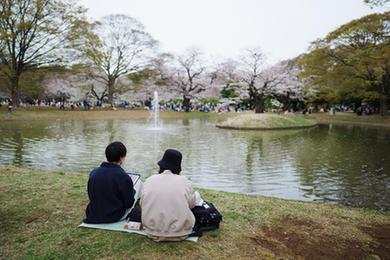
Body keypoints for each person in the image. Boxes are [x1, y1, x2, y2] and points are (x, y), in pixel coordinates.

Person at [140, 149, 200, 241]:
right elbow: (191, 205)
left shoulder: (149, 180)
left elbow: (142, 203)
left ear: (161, 165)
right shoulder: (185, 182)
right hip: (181, 232)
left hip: (152, 231)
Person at [84, 141, 141, 224]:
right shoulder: (124, 177)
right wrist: (132, 191)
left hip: (93, 214)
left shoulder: (94, 172)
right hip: (114, 216)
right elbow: (129, 203)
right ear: (121, 157)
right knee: (139, 183)